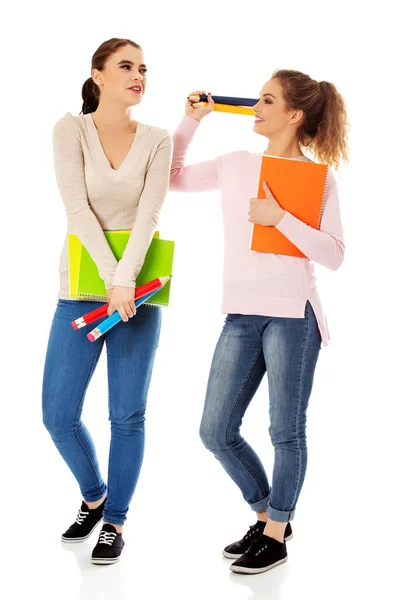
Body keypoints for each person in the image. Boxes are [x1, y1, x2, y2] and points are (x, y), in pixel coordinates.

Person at [169, 70, 348, 575]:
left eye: (267, 101)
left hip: (293, 316)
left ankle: (276, 535)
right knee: (215, 430)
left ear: (294, 115)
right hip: (241, 315)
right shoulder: (235, 164)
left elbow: (334, 256)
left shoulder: (319, 179)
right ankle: (270, 513)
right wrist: (190, 121)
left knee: (285, 431)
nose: (256, 107)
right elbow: (169, 177)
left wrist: (280, 219)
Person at [42, 38, 172, 565]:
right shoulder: (69, 129)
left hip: (139, 296)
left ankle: (114, 519)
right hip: (82, 290)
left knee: (127, 416)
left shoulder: (158, 139)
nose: (138, 75)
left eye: (143, 68)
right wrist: (114, 278)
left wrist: (126, 282)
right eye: (126, 66)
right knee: (57, 414)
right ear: (97, 74)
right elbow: (76, 209)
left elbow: (149, 215)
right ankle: (94, 494)